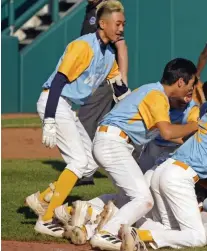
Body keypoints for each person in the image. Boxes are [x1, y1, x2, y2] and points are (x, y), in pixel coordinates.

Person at [118, 75, 207, 250]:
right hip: (179, 177)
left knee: (173, 230)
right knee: (197, 238)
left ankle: (131, 233)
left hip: (163, 171)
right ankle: (140, 235)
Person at [24, 0, 127, 238]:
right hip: (55, 100)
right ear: (102, 24)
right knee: (79, 162)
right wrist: (49, 120)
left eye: (123, 24)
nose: (121, 29)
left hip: (66, 106)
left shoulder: (109, 53)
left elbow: (119, 87)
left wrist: (136, 107)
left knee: (90, 163)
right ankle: (46, 218)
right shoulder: (84, 46)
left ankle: (41, 200)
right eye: (117, 24)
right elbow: (58, 81)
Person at [88, 58, 200, 250]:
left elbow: (170, 136)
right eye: (191, 84)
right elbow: (167, 132)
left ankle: (87, 216)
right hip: (112, 143)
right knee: (144, 199)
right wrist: (198, 125)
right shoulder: (157, 96)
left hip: (113, 141)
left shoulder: (153, 91)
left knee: (128, 198)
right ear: (180, 81)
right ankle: (108, 233)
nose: (192, 89)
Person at [77, 0, 129, 186]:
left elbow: (121, 47)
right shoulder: (92, 9)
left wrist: (122, 79)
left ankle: (85, 172)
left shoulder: (108, 11)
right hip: (93, 78)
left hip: (104, 77)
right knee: (101, 124)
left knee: (82, 122)